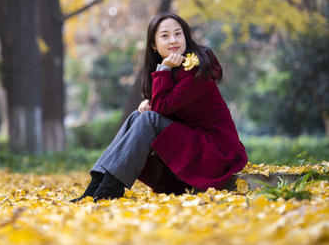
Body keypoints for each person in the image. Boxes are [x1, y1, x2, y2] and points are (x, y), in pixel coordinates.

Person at [70, 12, 248, 202]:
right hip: (195, 142)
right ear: (154, 45)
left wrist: (163, 69)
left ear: (185, 37)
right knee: (136, 117)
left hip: (217, 151)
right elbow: (168, 108)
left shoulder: (196, 69)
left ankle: (109, 188)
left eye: (178, 34)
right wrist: (151, 100)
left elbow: (163, 107)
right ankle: (98, 185)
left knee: (147, 118)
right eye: (165, 35)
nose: (173, 40)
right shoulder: (175, 68)